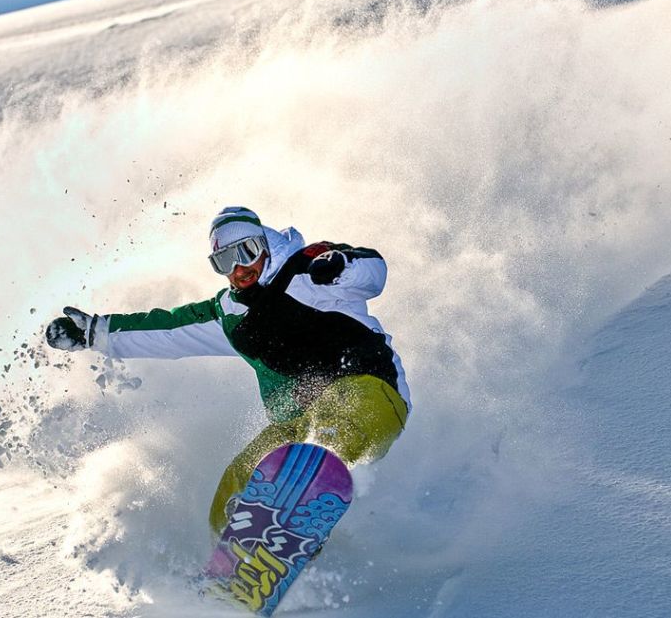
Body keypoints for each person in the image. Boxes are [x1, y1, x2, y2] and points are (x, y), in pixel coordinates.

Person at [46, 206, 410, 535]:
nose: (239, 270)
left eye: (246, 253)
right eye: (224, 263)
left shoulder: (307, 270)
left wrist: (340, 266)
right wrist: (97, 333)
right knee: (242, 480)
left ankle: (299, 499)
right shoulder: (234, 315)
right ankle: (237, 571)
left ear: (264, 244)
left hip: (373, 391)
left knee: (334, 423)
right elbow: (170, 330)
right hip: (298, 421)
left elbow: (372, 271)